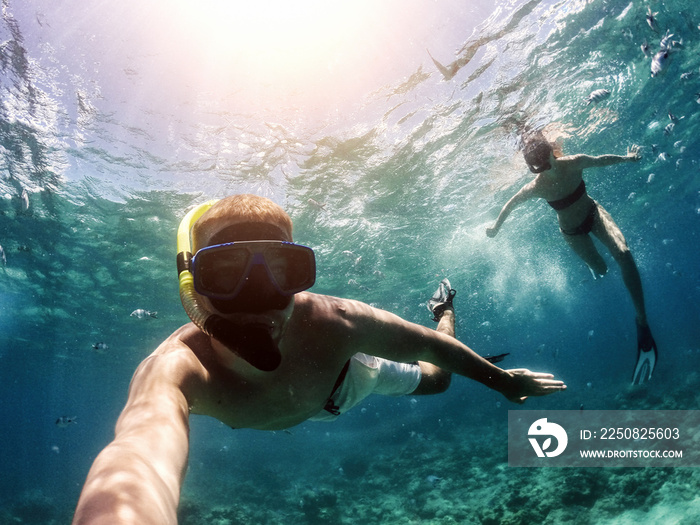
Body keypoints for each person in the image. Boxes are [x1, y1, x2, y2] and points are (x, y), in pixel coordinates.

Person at [72, 194, 566, 525]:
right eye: (226, 272)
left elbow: (429, 348)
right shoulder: (178, 368)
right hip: (317, 392)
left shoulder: (336, 323)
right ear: (193, 287)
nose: (260, 300)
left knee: (438, 381)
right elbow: (137, 454)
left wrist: (500, 381)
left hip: (346, 382)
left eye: (282, 271)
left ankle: (445, 309)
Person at [485, 132, 657, 385]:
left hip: (594, 213)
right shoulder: (536, 186)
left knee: (624, 254)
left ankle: (642, 321)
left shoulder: (574, 161)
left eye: (542, 162)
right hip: (571, 233)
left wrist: (627, 158)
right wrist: (495, 228)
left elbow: (600, 160)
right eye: (535, 167)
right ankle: (593, 266)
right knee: (601, 270)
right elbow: (510, 205)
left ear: (552, 154)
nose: (540, 169)